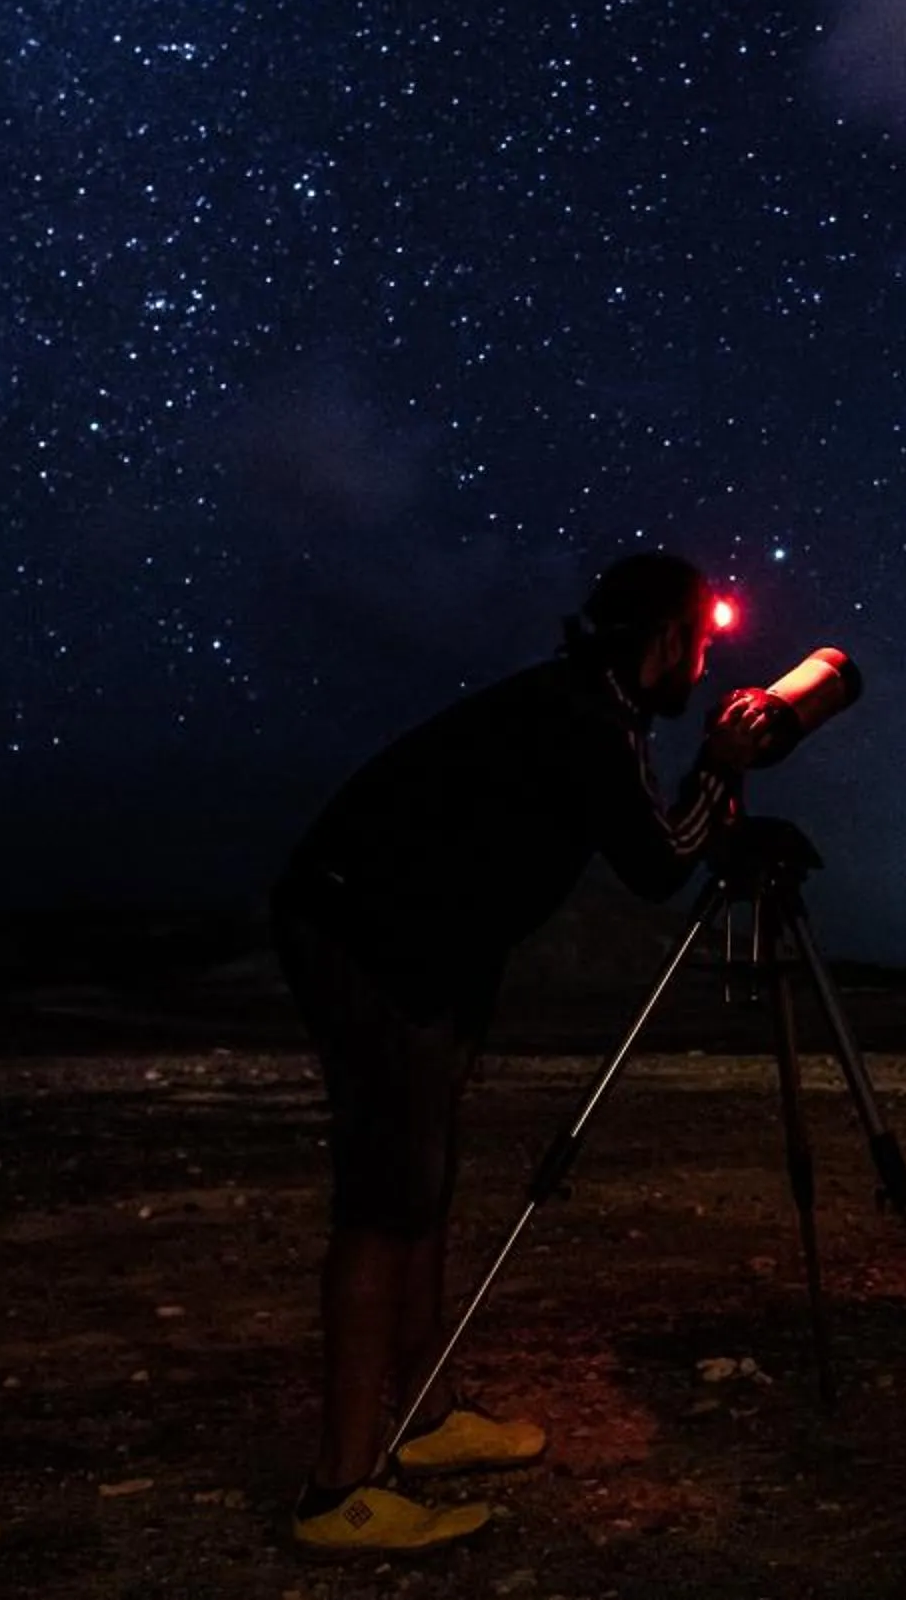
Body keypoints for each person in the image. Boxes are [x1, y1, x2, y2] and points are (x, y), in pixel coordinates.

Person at [270, 551, 783, 1557]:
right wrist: (723, 762)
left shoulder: (584, 704)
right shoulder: (590, 719)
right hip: (368, 935)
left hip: (425, 943)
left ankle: (425, 1413)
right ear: (669, 639)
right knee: (384, 1198)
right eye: (703, 640)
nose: (707, 660)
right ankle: (337, 1490)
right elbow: (656, 861)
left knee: (424, 1174)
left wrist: (716, 772)